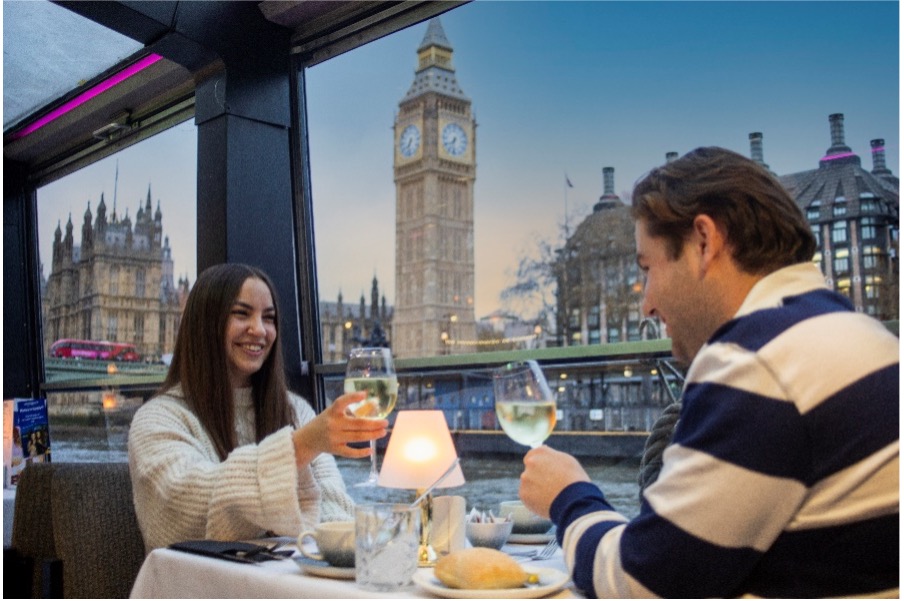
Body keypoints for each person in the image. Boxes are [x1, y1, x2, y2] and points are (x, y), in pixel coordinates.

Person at [519, 147, 899, 598]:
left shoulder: (756, 360)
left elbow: (642, 585)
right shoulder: (866, 337)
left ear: (704, 241)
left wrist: (569, 496)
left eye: (648, 269)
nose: (646, 303)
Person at [129, 263, 386, 552]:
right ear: (204, 323)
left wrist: (375, 542)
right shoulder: (158, 419)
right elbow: (186, 509)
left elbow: (333, 510)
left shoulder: (296, 410)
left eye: (269, 318)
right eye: (241, 314)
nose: (260, 330)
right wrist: (298, 448)